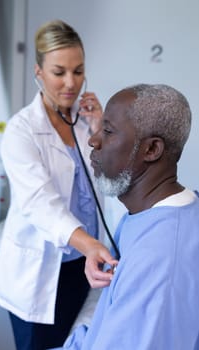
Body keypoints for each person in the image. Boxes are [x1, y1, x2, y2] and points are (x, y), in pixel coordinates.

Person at [0, 19, 118, 350]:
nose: (71, 82)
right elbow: (40, 202)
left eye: (78, 71)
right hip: (39, 273)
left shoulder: (83, 122)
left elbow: (108, 185)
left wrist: (99, 131)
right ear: (39, 72)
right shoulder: (21, 131)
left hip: (81, 268)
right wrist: (89, 244)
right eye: (59, 72)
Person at [53, 83, 199, 349]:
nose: (93, 140)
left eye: (107, 131)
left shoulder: (158, 260)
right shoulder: (154, 215)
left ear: (151, 150)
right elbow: (105, 328)